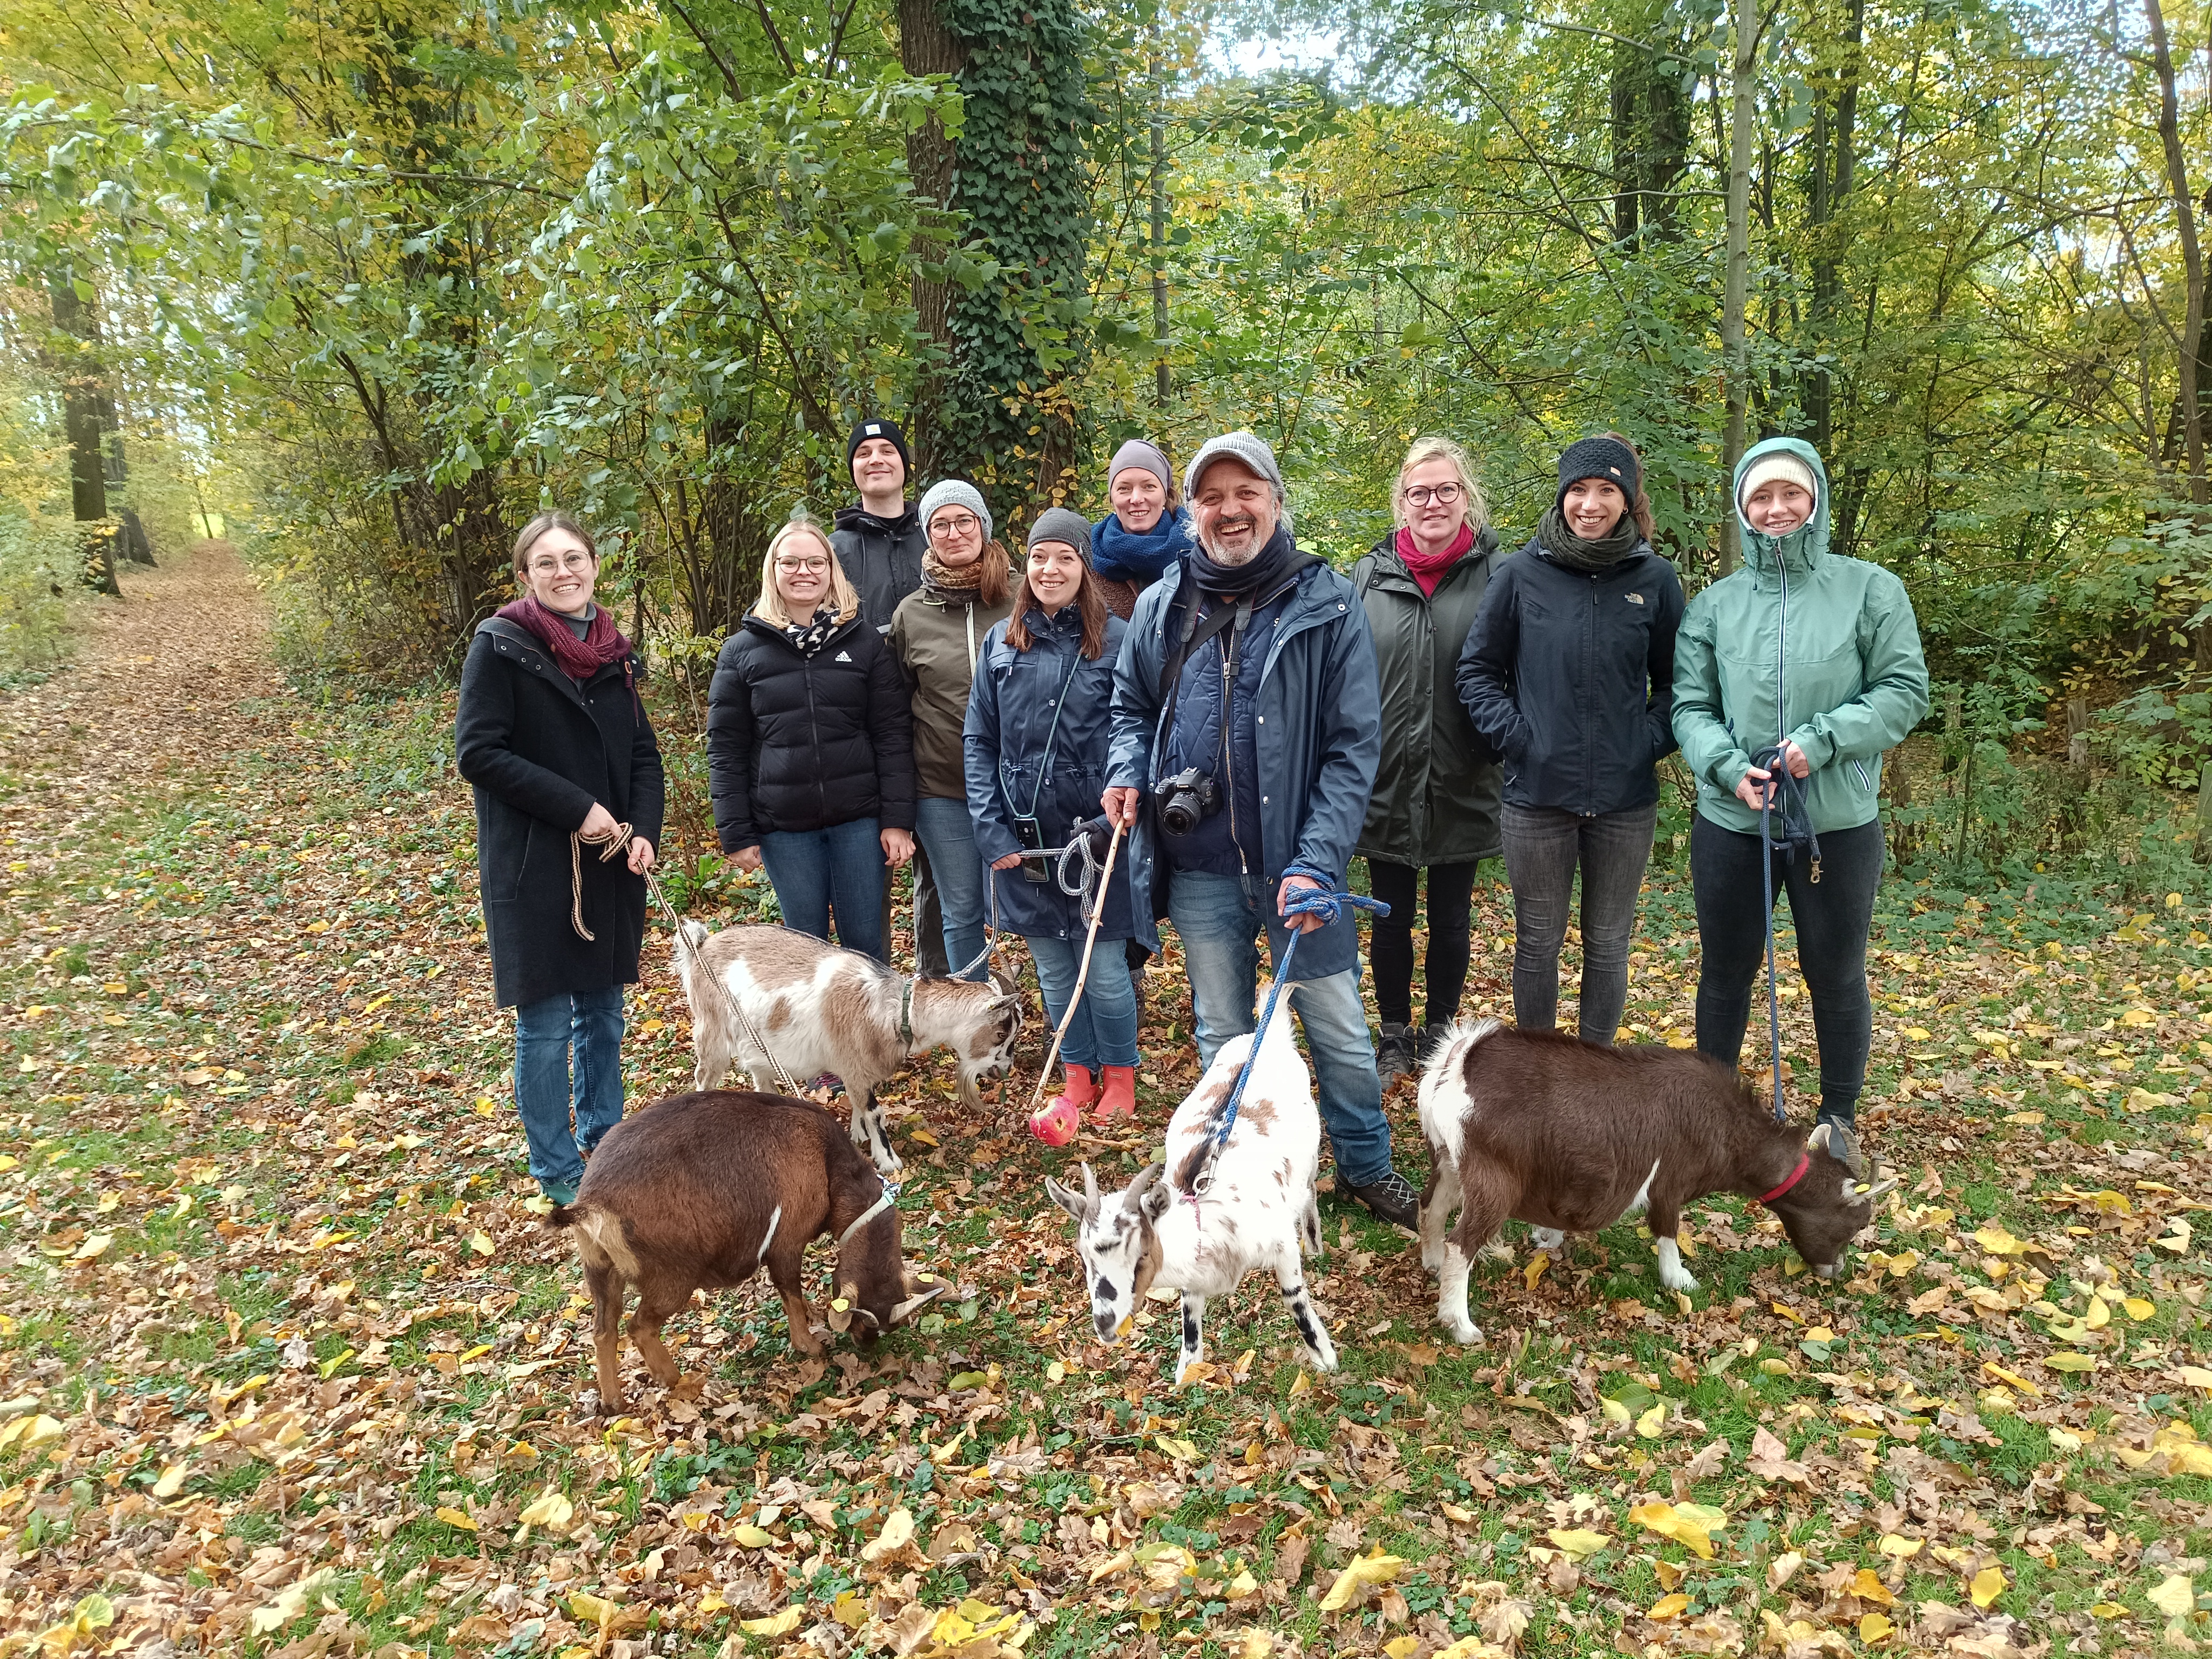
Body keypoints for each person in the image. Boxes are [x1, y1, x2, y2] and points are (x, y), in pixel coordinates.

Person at [1104, 431, 1421, 1229]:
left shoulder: (1328, 601)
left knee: (1340, 1032)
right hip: (1201, 866)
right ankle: (1241, 1170)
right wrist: (1124, 770)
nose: (1229, 510)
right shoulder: (1162, 604)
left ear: (1276, 501)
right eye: (1211, 497)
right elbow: (1130, 709)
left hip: (1299, 869)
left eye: (1245, 493)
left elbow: (1355, 747)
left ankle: (1366, 1166)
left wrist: (1316, 861)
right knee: (1223, 1031)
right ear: (1192, 512)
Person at [1673, 437, 1929, 1133]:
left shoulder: (1870, 589)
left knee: (1835, 972)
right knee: (1725, 973)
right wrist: (1730, 768)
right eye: (1761, 496)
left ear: (1815, 498)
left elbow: (1905, 691)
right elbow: (1689, 707)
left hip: (1836, 824)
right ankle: (1712, 1118)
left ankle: (1838, 1118)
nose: (1777, 507)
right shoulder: (1715, 605)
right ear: (1742, 508)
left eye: (1791, 493)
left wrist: (1819, 743)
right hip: (1734, 822)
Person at [455, 511, 664, 1207]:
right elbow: (479, 753)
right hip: (533, 865)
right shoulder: (500, 646)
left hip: (610, 859)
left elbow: (642, 754)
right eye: (546, 563)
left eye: (573, 558)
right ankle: (554, 1166)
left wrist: (643, 830)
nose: (564, 572)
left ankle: (606, 1141)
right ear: (525, 576)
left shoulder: (615, 653)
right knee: (544, 1023)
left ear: (594, 565)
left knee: (604, 1012)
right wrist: (577, 808)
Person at [1458, 434, 1685, 1047]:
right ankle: (1538, 1076)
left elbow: (1678, 685)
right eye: (1579, 490)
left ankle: (1593, 1068)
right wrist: (1518, 738)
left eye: (1606, 490)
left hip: (1625, 798)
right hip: (1536, 796)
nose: (1590, 503)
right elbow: (1477, 671)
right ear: (1561, 497)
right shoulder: (1520, 573)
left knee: (1609, 942)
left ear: (1626, 498)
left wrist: (1643, 742)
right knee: (1537, 939)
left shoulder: (1655, 578)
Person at [968, 509, 1138, 1141]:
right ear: (1025, 566)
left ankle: (1119, 1073)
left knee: (1106, 970)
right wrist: (990, 829)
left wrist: (1110, 813)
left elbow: (1132, 726)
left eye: (1064, 557)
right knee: (1055, 969)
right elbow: (978, 739)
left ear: (1083, 566)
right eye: (1040, 557)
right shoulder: (1001, 643)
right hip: (1023, 839)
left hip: (1097, 837)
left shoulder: (1117, 640)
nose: (1050, 569)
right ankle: (1076, 1074)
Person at [1353, 436, 1506, 1081]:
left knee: (1450, 919)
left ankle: (1440, 1036)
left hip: (1462, 775)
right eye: (1419, 492)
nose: (1433, 502)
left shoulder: (1500, 574)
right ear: (1402, 502)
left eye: (1446, 490)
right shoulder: (1369, 573)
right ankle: (1392, 1034)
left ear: (1465, 496)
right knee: (1388, 918)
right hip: (1385, 775)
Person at [706, 514, 916, 961]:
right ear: (774, 570)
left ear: (831, 570)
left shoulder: (862, 643)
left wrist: (898, 819)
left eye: (816, 562)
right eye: (792, 562)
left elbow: (892, 734)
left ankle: (871, 1035)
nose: (804, 571)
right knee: (804, 953)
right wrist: (736, 832)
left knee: (867, 952)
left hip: (859, 824)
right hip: (785, 828)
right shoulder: (741, 652)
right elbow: (725, 749)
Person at [831, 414, 947, 973]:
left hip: (935, 730)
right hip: (860, 733)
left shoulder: (940, 534)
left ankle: (936, 988)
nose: (876, 459)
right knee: (864, 874)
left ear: (905, 465)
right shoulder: (833, 550)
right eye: (864, 453)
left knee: (940, 868)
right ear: (853, 469)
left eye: (887, 451)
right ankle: (867, 1001)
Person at [890, 480, 1015, 980]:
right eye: (940, 524)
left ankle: (1061, 1015)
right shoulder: (911, 614)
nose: (954, 532)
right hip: (943, 789)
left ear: (983, 527)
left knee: (1040, 908)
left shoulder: (1023, 597)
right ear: (927, 535)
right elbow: (897, 706)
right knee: (961, 911)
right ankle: (973, 1022)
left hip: (1020, 785)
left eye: (965, 521)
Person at [1091, 438, 1192, 621]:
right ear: (1112, 499)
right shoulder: (1088, 558)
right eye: (1124, 489)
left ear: (1166, 494)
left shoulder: (1198, 553)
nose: (1136, 499)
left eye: (1149, 487)